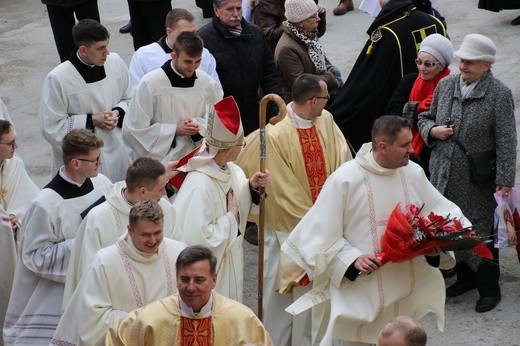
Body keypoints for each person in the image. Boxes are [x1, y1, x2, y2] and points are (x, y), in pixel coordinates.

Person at [280, 116, 468, 344]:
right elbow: (315, 235)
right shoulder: (345, 179)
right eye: (404, 145)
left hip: (403, 293)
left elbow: (441, 212)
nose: (412, 149)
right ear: (383, 147)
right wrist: (351, 258)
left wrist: (434, 245)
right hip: (361, 293)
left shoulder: (413, 173)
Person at [237, 74, 351, 345]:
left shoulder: (327, 120)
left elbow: (342, 163)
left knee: (319, 298)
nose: (328, 102)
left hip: (328, 228)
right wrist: (317, 224)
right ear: (313, 101)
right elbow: (282, 192)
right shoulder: (275, 135)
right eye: (325, 98)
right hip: (289, 233)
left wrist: (336, 212)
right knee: (283, 298)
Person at [418, 34, 517, 313]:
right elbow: (425, 118)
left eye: (470, 62)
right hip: (444, 173)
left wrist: (505, 181)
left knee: (481, 230)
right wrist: (433, 131)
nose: (463, 65)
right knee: (451, 227)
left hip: (477, 180)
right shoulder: (446, 85)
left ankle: (489, 287)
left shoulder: (499, 94)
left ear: (487, 65)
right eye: (462, 60)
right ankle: (465, 278)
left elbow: (507, 140)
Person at [3, 129, 113, 345]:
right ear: (75, 163)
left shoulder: (102, 184)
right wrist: (85, 242)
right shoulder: (46, 204)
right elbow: (34, 256)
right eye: (94, 160)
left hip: (96, 282)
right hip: (58, 294)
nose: (99, 164)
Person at [172, 96, 269, 303]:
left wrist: (252, 186)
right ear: (228, 149)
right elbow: (199, 239)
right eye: (241, 143)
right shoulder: (199, 184)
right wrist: (230, 219)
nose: (243, 146)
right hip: (211, 272)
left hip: (231, 259)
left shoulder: (232, 169)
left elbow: (240, 195)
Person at [51, 200, 186, 346]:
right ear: (130, 229)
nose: (153, 240)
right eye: (145, 235)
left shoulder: (178, 253)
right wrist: (145, 322)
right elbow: (93, 319)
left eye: (157, 233)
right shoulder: (105, 262)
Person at [326, 0, 447, 151]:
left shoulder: (388, 33)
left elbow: (368, 82)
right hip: (437, 104)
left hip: (401, 107)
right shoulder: (434, 20)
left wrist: (337, 112)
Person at [62, 157, 182, 306]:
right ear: (143, 191)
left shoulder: (166, 209)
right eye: (161, 189)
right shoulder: (98, 219)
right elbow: (89, 276)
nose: (164, 193)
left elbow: (179, 256)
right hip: (120, 308)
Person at [101, 245, 273, 345]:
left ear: (213, 280)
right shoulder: (149, 319)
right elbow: (113, 340)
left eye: (199, 280)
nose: (190, 287)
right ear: (176, 278)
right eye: (185, 279)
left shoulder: (241, 319)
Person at [39, 19, 132, 183]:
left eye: (107, 45)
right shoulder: (59, 78)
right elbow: (51, 127)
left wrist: (117, 112)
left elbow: (131, 97)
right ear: (83, 50)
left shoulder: (115, 62)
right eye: (100, 48)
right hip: (84, 156)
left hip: (120, 149)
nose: (107, 53)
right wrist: (92, 120)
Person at [123, 31, 222, 164]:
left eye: (198, 61)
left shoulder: (207, 84)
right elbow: (133, 130)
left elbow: (218, 119)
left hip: (198, 158)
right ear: (174, 56)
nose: (192, 67)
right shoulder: (151, 83)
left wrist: (198, 126)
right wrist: (174, 130)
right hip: (161, 163)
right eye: (187, 61)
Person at [197, 0, 283, 135]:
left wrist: (277, 110)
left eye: (238, 8)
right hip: (224, 119)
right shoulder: (203, 39)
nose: (236, 14)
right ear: (216, 10)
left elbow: (270, 75)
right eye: (230, 9)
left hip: (255, 114)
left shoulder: (255, 33)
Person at [386, 33, 453, 177]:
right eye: (419, 62)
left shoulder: (452, 87)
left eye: (428, 64)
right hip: (410, 152)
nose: (422, 68)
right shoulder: (408, 82)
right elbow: (391, 112)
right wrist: (415, 108)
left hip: (438, 155)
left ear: (441, 66)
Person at [0, 120, 39, 346]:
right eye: (10, 143)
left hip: (13, 242)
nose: (16, 147)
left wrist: (17, 217)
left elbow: (30, 199)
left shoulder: (14, 165)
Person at [129, 8, 221, 86]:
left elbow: (215, 89)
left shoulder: (204, 54)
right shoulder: (143, 56)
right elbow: (136, 91)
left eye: (193, 33)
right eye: (184, 33)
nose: (190, 38)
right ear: (169, 32)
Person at [274, 0, 342, 102]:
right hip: (305, 107)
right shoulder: (287, 50)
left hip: (318, 98)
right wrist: (331, 79)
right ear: (300, 22)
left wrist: (330, 68)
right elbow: (302, 86)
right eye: (314, 16)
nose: (318, 19)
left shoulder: (305, 34)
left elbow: (320, 57)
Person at [253, 0, 327, 54]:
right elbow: (270, 37)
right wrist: (292, 19)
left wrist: (318, 15)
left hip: (309, 50)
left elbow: (316, 34)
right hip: (282, 55)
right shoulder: (264, 4)